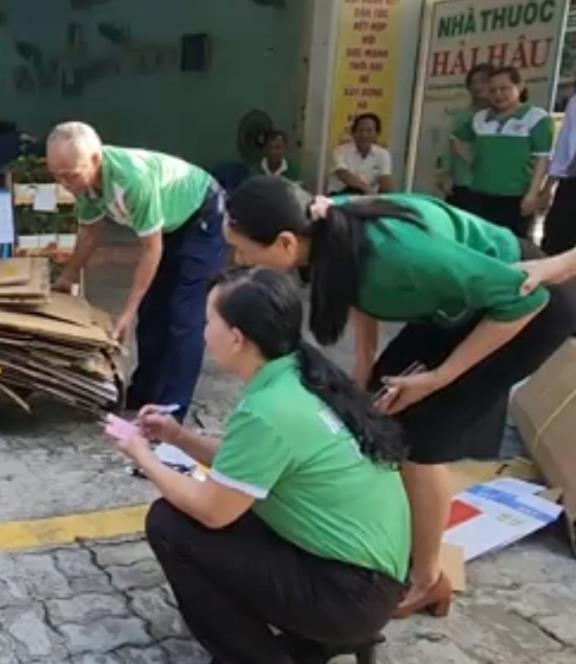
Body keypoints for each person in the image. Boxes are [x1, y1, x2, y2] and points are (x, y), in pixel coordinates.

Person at [223, 176, 576, 620]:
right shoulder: (329, 223)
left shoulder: (397, 254)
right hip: (461, 302)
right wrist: (366, 364)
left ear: (286, 242)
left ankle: (427, 579)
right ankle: (391, 539)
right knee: (377, 410)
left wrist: (440, 377)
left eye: (242, 249)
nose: (238, 260)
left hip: (526, 306)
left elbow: (523, 301)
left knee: (421, 443)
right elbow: (354, 282)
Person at [120, 267, 409, 664]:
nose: (204, 332)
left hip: (348, 594)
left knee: (170, 525)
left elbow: (211, 510)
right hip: (367, 579)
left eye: (208, 322)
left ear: (236, 337)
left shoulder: (268, 410)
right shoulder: (300, 376)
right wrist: (177, 437)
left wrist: (144, 458)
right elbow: (248, 464)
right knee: (229, 513)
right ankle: (310, 641)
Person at [46, 121, 226, 417]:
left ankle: (172, 408)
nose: (65, 183)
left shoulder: (131, 181)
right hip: (169, 220)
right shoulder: (84, 183)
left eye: (70, 175)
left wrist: (126, 312)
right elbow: (90, 232)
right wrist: (66, 277)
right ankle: (144, 392)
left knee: (183, 313)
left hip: (201, 214)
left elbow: (150, 249)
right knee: (153, 310)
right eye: (57, 176)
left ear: (94, 159)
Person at [453, 66, 554, 238]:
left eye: (504, 89)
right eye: (493, 90)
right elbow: (456, 139)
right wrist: (475, 162)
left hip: (516, 198)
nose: (498, 95)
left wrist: (532, 194)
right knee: (480, 243)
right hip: (480, 194)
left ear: (520, 87)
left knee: (514, 248)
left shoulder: (536, 117)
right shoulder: (480, 118)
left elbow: (543, 159)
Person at [441, 63, 494, 212]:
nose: (477, 86)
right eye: (473, 82)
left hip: (491, 186)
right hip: (462, 182)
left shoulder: (500, 116)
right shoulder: (462, 116)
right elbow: (450, 148)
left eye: (483, 80)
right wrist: (445, 174)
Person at [542, 93, 576, 255]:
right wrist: (548, 188)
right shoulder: (574, 102)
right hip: (571, 183)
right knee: (556, 242)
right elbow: (564, 148)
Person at [327, 113, 395, 195]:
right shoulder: (339, 151)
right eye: (360, 130)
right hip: (341, 196)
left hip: (367, 200)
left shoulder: (383, 154)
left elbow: (385, 178)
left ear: (377, 133)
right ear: (353, 133)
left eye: (369, 131)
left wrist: (389, 194)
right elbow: (343, 174)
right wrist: (367, 190)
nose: (364, 135)